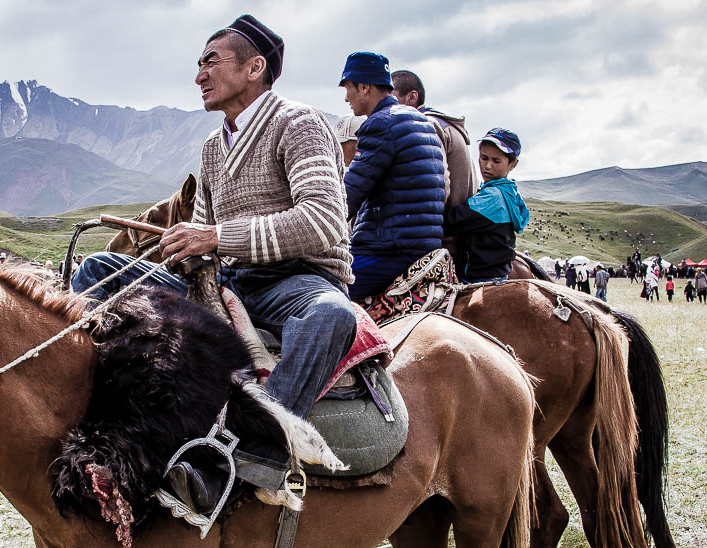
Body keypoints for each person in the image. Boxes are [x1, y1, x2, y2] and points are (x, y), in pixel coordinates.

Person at [72, 14, 355, 514]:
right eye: (198, 64)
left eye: (210, 61)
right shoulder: (210, 146)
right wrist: (187, 248)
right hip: (223, 281)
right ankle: (97, 418)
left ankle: (257, 455)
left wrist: (215, 236)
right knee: (101, 270)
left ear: (254, 68)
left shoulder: (299, 123)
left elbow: (323, 220)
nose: (199, 74)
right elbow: (205, 233)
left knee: (333, 318)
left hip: (295, 279)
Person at [340, 52, 448, 300]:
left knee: (321, 292)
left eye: (348, 88)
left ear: (364, 87)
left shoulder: (381, 124)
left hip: (389, 250)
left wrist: (316, 225)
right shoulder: (420, 120)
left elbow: (351, 193)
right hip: (423, 244)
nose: (346, 98)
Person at [391, 69, 476, 272]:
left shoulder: (426, 125)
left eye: (392, 99)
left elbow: (437, 186)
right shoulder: (446, 125)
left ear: (412, 97)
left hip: (438, 243)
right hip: (453, 235)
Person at [440, 128, 529, 282]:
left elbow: (452, 221)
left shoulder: (493, 198)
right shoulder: (509, 192)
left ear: (512, 164)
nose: (487, 166)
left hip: (479, 276)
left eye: (496, 161)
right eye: (484, 158)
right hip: (498, 273)